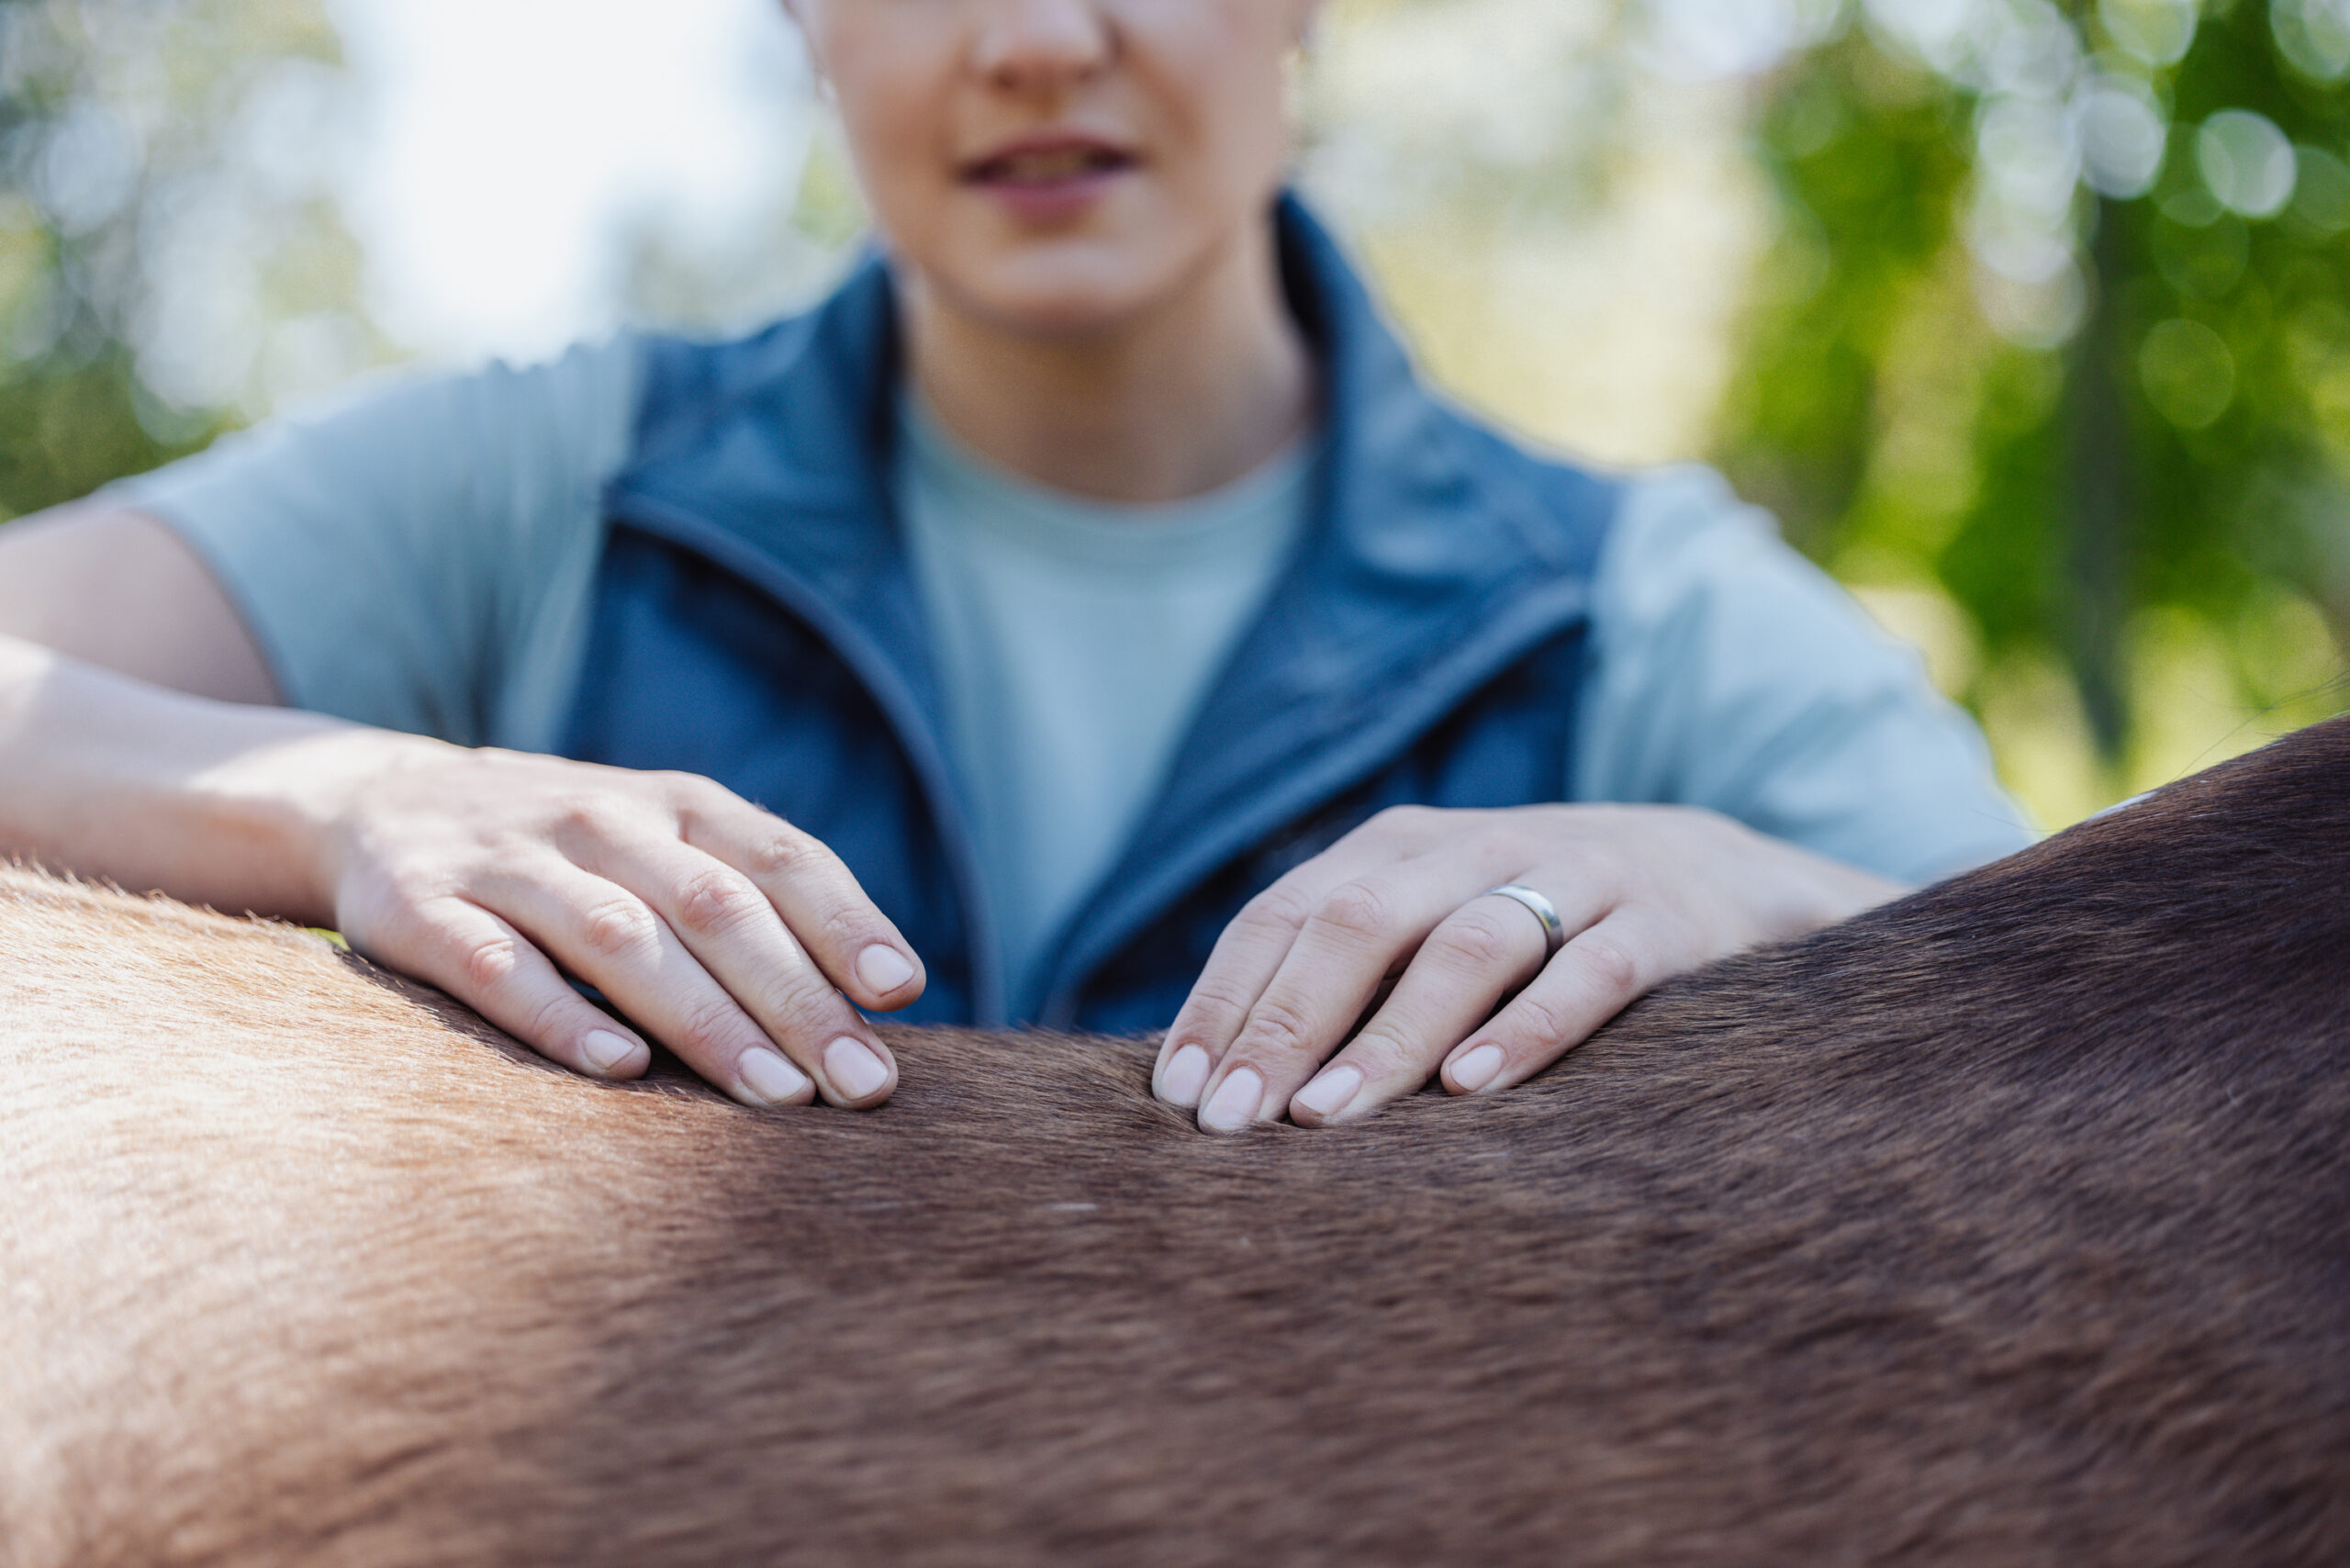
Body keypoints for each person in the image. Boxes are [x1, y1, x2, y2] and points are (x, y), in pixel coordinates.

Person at [0, 0, 2031, 1136]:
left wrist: (1739, 880)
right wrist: (354, 796)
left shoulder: (1631, 605)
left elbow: (2090, 989)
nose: (1040, 40)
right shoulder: (551, 478)